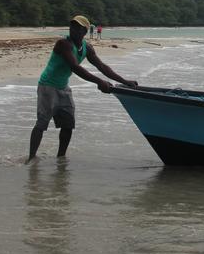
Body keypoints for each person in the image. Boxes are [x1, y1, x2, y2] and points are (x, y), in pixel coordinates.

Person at [27, 14, 137, 162]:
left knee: (68, 125)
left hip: (63, 86)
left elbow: (102, 66)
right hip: (47, 86)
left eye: (78, 27)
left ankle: (61, 159)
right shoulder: (63, 44)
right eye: (72, 26)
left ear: (85, 31)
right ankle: (31, 158)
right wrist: (99, 82)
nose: (73, 29)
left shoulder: (87, 48)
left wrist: (124, 81)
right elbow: (75, 67)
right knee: (41, 123)